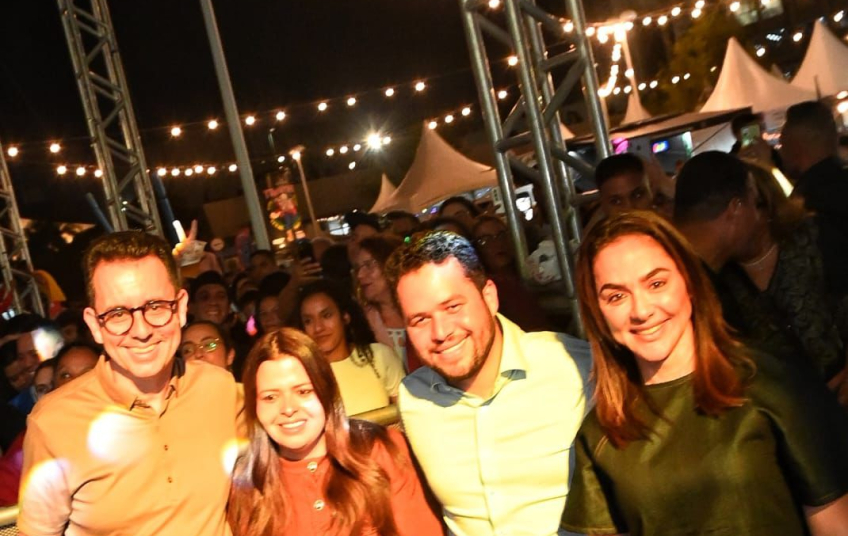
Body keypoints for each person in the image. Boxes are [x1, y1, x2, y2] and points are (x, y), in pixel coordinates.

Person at [561, 211, 848, 535]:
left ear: (689, 282)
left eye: (656, 283)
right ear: (597, 313)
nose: (641, 310)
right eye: (616, 296)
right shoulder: (601, 433)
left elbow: (835, 521)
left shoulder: (770, 380)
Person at [18, 230, 242, 536]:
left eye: (155, 307)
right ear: (94, 325)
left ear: (181, 308)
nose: (141, 331)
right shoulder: (53, 423)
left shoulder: (220, 388)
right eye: (118, 313)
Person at [385, 231, 592, 536]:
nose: (441, 332)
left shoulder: (574, 366)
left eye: (453, 307)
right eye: (420, 320)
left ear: (489, 297)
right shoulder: (414, 397)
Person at [227, 328, 443, 536]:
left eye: (303, 391)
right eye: (270, 397)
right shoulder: (247, 487)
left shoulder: (378, 450)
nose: (288, 409)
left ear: (326, 391)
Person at [674, 152, 848, 390]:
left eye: (760, 203)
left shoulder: (814, 239)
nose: (757, 216)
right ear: (736, 207)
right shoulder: (706, 284)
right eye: (753, 201)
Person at [296, 279, 405, 416]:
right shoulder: (300, 372)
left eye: (326, 316)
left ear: (345, 317)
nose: (318, 328)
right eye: (308, 321)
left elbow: (407, 415)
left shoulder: (379, 356)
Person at [471, 216, 551, 332]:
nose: (497, 243)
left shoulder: (536, 268)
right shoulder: (491, 288)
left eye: (502, 235)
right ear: (476, 249)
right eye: (485, 240)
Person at [353, 235, 419, 371]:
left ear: (390, 265)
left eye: (368, 265)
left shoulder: (421, 311)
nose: (360, 275)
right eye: (358, 268)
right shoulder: (361, 323)